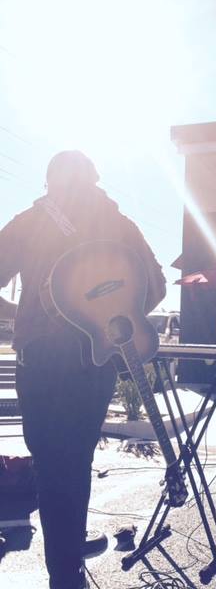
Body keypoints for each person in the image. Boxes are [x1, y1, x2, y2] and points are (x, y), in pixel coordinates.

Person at [0, 150, 166, 589]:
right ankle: (68, 550)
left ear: (49, 181)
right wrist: (107, 316)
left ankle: (65, 566)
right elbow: (156, 286)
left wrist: (22, 313)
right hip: (94, 358)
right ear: (94, 179)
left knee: (51, 462)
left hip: (39, 358)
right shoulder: (119, 224)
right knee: (74, 460)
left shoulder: (30, 222)